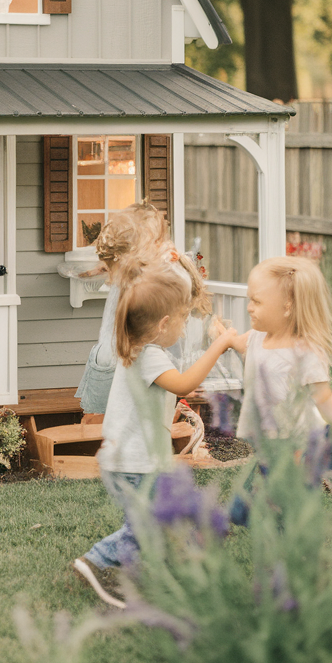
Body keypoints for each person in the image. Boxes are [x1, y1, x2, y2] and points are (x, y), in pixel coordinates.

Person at [73, 256, 239, 607]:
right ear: (163, 324)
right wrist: (218, 346)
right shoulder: (149, 356)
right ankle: (96, 561)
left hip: (130, 457)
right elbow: (185, 383)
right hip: (135, 460)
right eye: (181, 320)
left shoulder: (135, 348)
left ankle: (128, 569)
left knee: (148, 519)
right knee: (147, 523)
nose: (183, 327)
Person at [75, 204, 211, 416]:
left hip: (124, 353)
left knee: (117, 410)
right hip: (123, 352)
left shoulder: (145, 278)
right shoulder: (143, 274)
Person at [227, 256, 332, 455]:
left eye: (257, 301)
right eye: (249, 299)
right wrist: (221, 334)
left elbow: (326, 400)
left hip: (299, 443)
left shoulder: (305, 352)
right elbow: (236, 343)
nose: (249, 307)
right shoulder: (256, 337)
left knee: (290, 483)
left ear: (287, 307)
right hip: (267, 441)